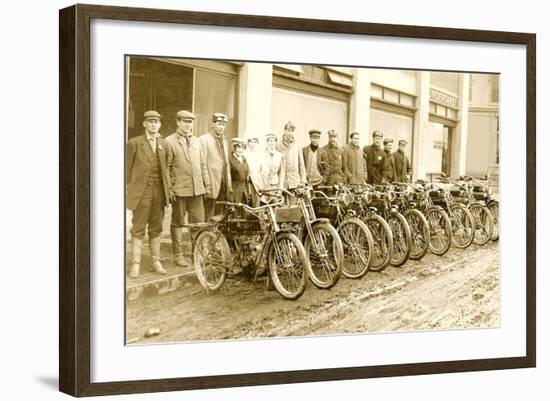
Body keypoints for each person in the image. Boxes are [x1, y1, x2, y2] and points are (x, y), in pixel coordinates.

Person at [126, 111, 171, 278]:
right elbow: (126, 171)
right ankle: (136, 264)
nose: (154, 124)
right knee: (138, 228)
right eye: (150, 121)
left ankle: (155, 261)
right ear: (144, 124)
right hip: (141, 194)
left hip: (159, 193)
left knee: (156, 227)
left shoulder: (164, 144)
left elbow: (166, 169)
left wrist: (167, 192)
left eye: (156, 122)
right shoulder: (134, 143)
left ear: (159, 125)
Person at [165, 110, 210, 268]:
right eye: (185, 121)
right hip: (179, 190)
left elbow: (203, 164)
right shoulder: (169, 141)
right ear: (178, 122)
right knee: (177, 222)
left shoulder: (197, 141)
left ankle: (196, 254)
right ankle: (178, 255)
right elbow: (167, 168)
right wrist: (170, 189)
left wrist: (207, 184)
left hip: (197, 189)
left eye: (190, 122)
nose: (188, 125)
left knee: (198, 223)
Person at [199, 113, 233, 219]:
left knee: (221, 216)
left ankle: (217, 235)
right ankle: (207, 235)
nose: (221, 127)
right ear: (212, 124)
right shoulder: (204, 139)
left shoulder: (224, 141)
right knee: (208, 215)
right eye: (219, 124)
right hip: (211, 183)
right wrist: (207, 184)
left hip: (223, 185)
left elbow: (226, 164)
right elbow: (202, 163)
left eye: (223, 124)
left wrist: (229, 185)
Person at [278, 121, 307, 190]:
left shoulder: (297, 146)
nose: (290, 133)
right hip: (282, 182)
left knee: (294, 200)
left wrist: (303, 181)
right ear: (284, 131)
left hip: (295, 182)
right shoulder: (278, 146)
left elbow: (301, 164)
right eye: (288, 130)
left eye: (292, 131)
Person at [229, 137, 250, 204]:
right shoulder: (229, 159)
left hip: (243, 190)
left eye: (243, 148)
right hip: (234, 190)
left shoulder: (244, 159)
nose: (241, 150)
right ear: (234, 148)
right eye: (238, 147)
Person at [245, 134, 262, 206]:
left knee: (257, 198)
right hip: (247, 179)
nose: (253, 144)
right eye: (251, 142)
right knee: (248, 197)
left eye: (255, 142)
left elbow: (263, 168)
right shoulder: (245, 153)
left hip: (257, 179)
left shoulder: (260, 154)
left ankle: (257, 214)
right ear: (248, 143)